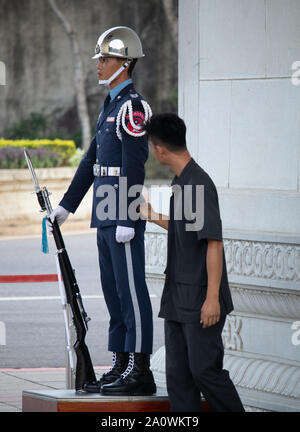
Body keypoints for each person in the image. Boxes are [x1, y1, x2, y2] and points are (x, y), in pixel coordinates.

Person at [48, 26, 156, 396]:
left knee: (131, 291)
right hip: (104, 209)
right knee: (113, 292)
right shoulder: (110, 105)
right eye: (100, 59)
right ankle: (122, 362)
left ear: (124, 64)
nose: (99, 65)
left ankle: (141, 369)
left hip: (121, 211)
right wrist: (67, 205)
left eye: (105, 59)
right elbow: (92, 161)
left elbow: (134, 166)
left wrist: (128, 216)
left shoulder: (133, 107)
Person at [140, 113, 245, 411]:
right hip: (177, 297)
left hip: (200, 298)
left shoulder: (199, 184)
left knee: (204, 371)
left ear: (159, 148)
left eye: (151, 144)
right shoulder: (181, 181)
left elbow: (214, 241)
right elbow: (185, 227)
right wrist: (151, 215)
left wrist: (213, 299)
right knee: (179, 377)